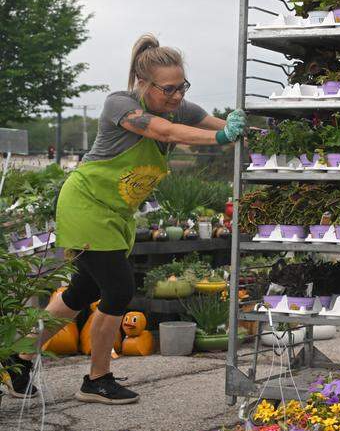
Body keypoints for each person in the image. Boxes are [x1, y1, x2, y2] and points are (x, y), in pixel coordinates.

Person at [3, 35, 246, 404]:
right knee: (118, 290)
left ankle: (17, 359)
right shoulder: (119, 104)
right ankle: (97, 379)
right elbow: (162, 131)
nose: (177, 96)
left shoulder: (178, 106)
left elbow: (218, 125)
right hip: (85, 206)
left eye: (182, 87)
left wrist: (247, 129)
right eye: (168, 89)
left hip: (116, 213)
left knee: (81, 292)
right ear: (143, 83)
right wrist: (220, 135)